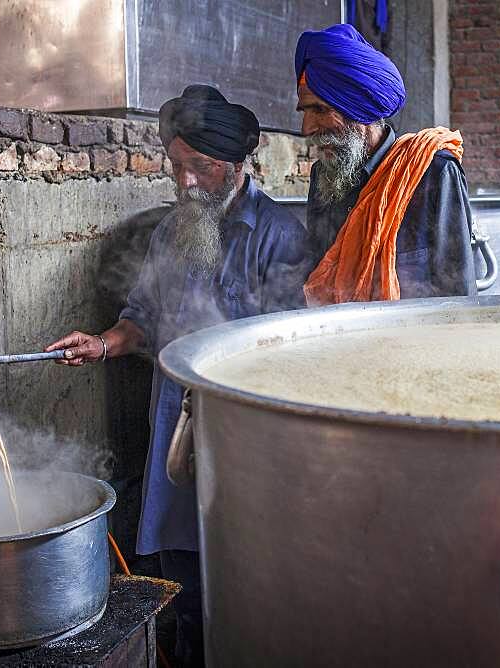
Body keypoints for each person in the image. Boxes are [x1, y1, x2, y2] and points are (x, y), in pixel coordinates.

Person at [45, 84, 308, 667]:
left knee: (242, 574)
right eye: (177, 167)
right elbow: (141, 318)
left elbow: (293, 351)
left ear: (238, 165)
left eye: (202, 168)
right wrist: (104, 345)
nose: (186, 183)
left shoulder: (280, 236)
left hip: (243, 435)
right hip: (175, 428)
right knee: (182, 584)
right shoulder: (171, 231)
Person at [295, 23, 478, 305]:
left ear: (359, 111)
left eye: (320, 110)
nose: (307, 129)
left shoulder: (433, 173)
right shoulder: (324, 175)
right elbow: (319, 272)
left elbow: (458, 297)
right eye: (305, 112)